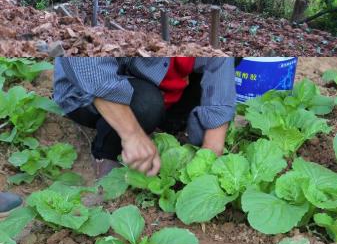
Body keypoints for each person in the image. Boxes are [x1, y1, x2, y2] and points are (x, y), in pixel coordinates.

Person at [53, 58, 236, 179]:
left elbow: (219, 63)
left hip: (159, 82)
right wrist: (132, 135)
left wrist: (211, 151)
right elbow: (92, 72)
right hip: (85, 91)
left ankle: (169, 123)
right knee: (146, 105)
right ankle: (107, 153)